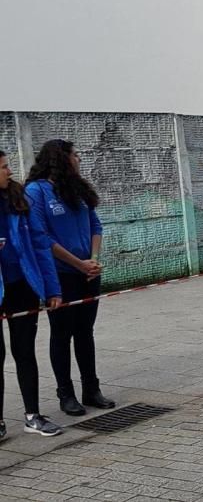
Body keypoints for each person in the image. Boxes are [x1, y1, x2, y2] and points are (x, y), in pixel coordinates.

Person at [25, 140, 115, 418]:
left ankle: (91, 388)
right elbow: (42, 237)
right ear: (60, 159)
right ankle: (66, 393)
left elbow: (95, 225)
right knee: (62, 334)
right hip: (60, 276)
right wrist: (77, 263)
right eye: (75, 155)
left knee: (85, 332)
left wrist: (93, 260)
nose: (79, 159)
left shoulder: (77, 189)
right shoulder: (36, 191)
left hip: (88, 274)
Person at [0, 150, 64, 441]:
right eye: (3, 167)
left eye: (7, 166)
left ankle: (32, 416)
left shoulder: (19, 199)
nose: (9, 171)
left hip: (22, 286)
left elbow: (40, 246)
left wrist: (52, 288)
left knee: (24, 352)